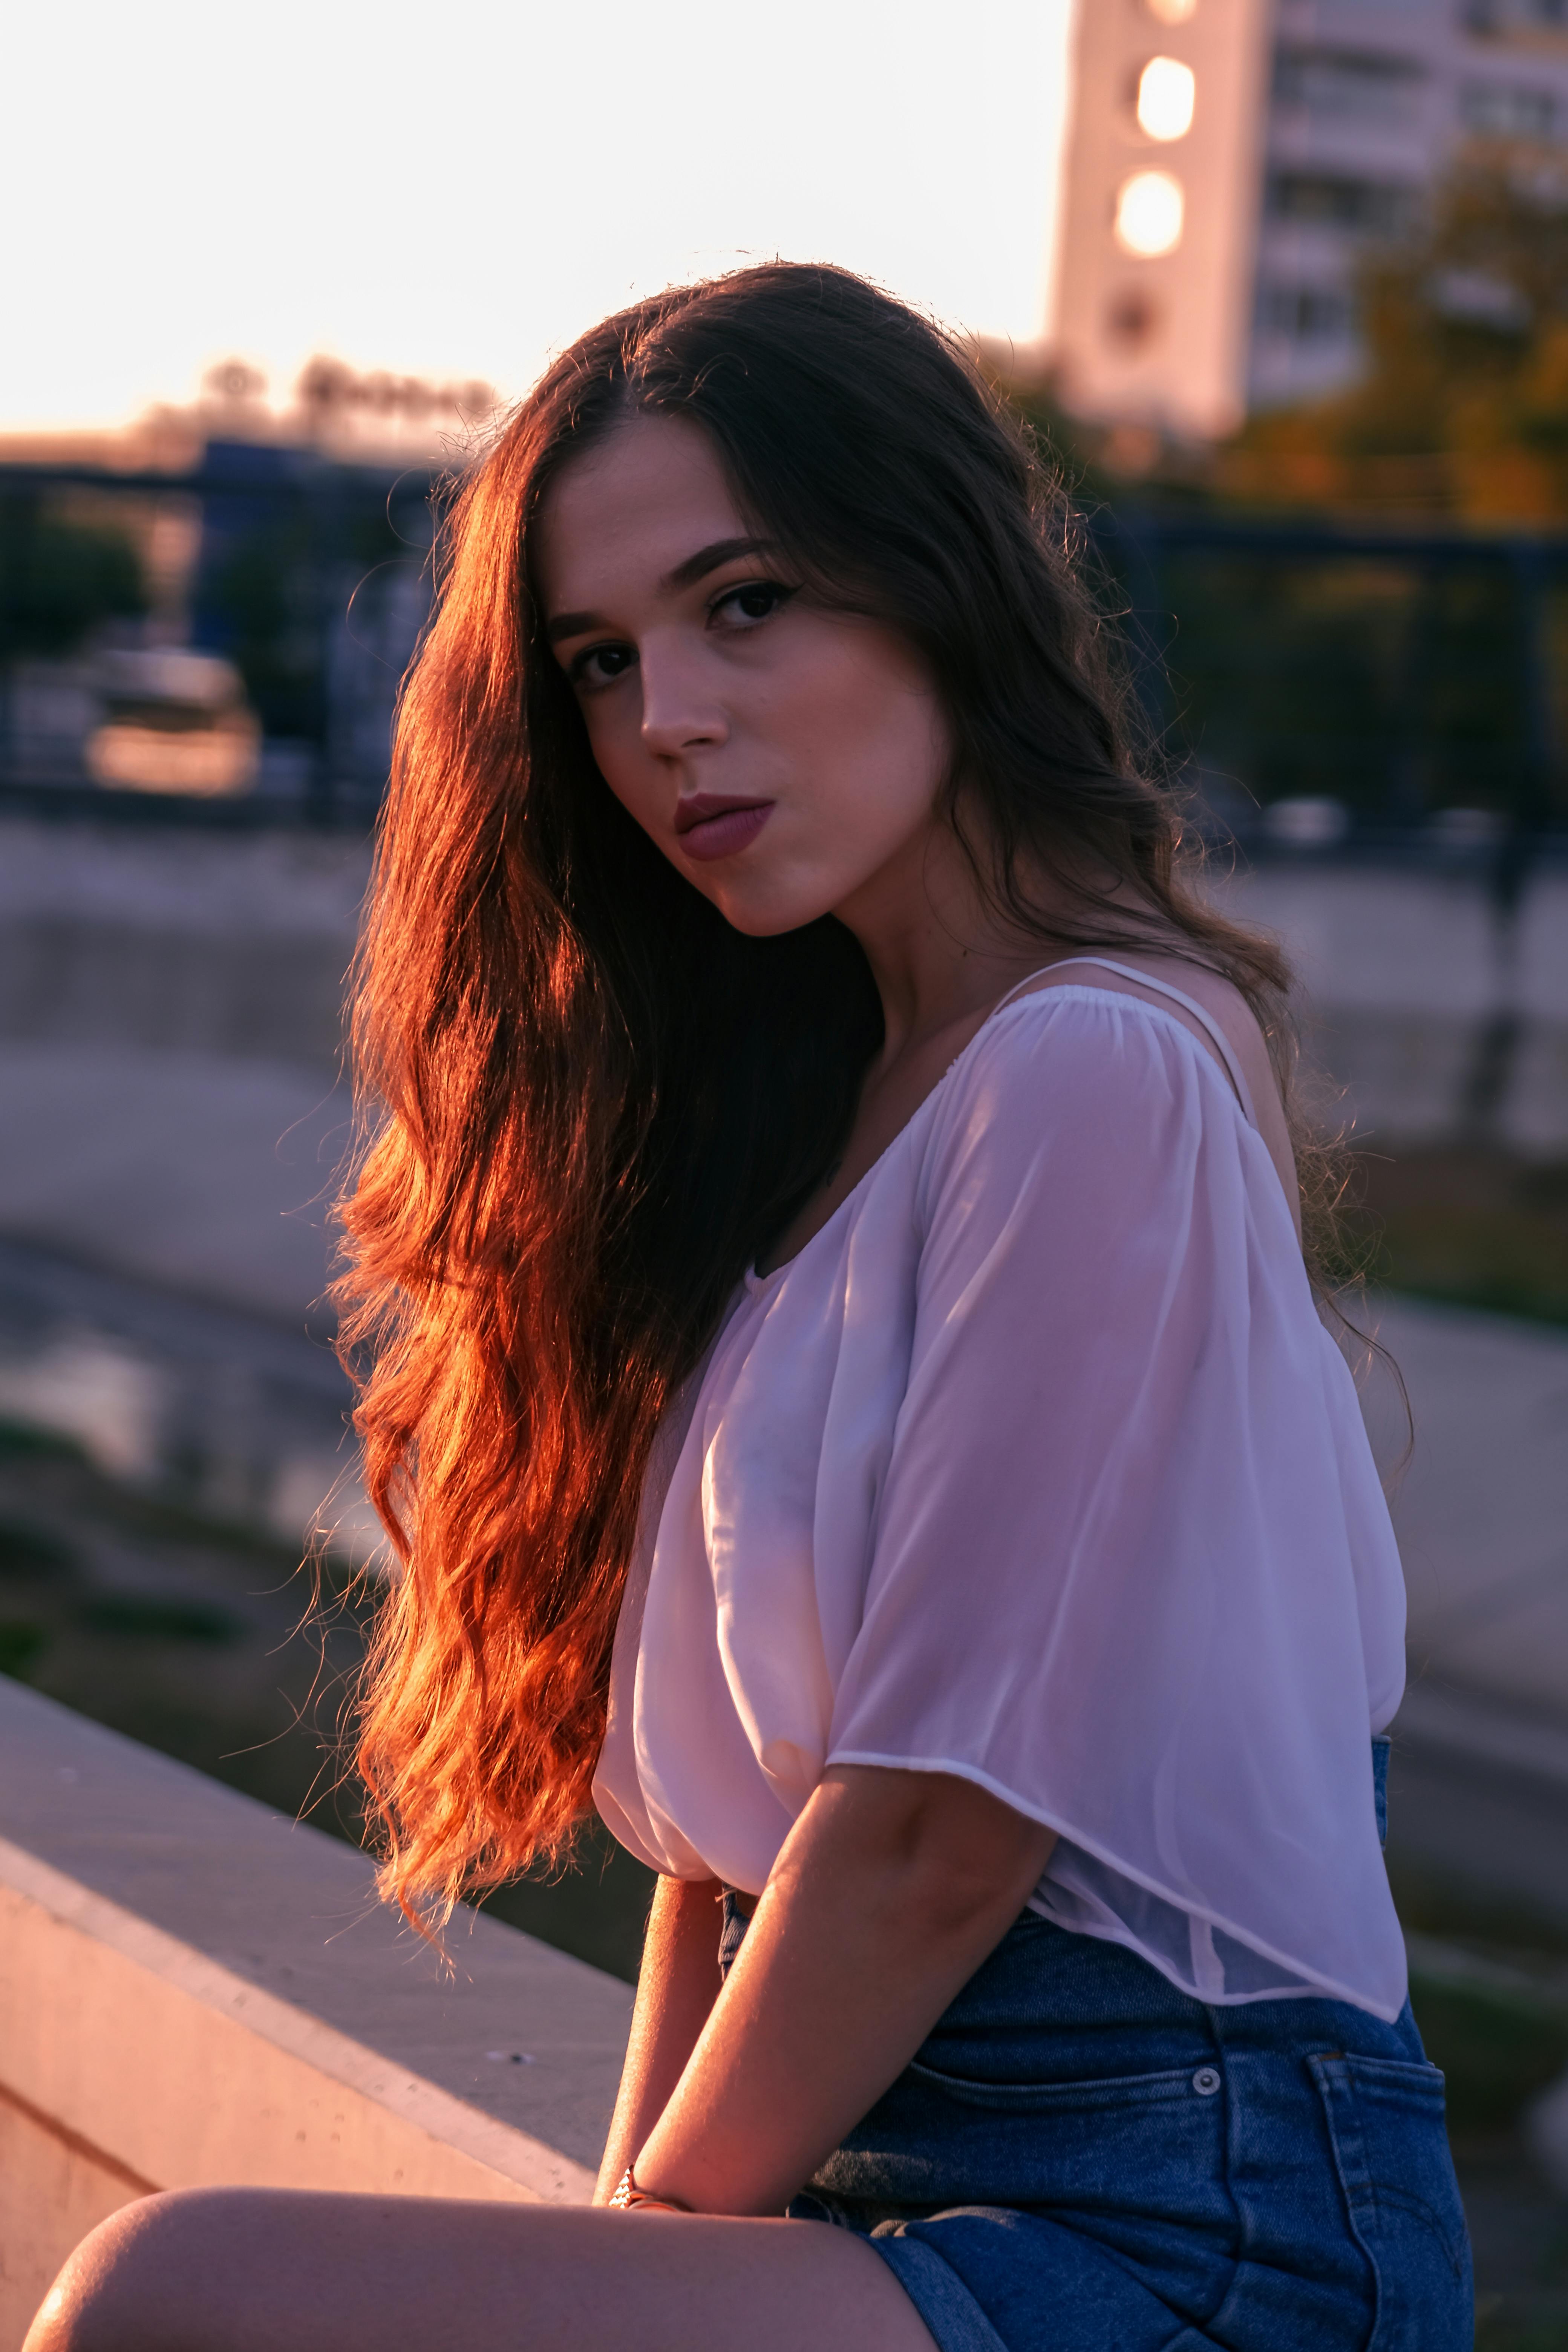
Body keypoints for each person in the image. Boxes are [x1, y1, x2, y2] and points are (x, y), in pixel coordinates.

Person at [28, 264, 1470, 2352]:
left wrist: (653, 2245)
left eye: (746, 606)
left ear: (940, 581)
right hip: (879, 2190)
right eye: (600, 661)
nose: (664, 722)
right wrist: (627, 2232)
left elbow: (928, 1847)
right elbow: (735, 1881)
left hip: (1197, 2227)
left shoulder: (1096, 1070)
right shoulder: (830, 1117)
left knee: (174, 2298)